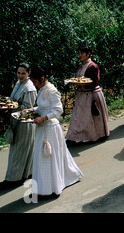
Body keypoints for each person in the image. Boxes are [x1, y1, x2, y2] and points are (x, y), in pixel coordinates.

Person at [27, 66, 83, 196]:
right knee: (41, 156)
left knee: (49, 156)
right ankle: (43, 187)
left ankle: (54, 186)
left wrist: (44, 118)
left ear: (41, 78)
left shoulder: (51, 90)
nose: (34, 84)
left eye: (35, 81)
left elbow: (58, 110)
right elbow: (42, 106)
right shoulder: (41, 90)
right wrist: (32, 110)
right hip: (42, 127)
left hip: (51, 128)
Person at [0, 62, 37, 189]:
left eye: (23, 73)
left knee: (19, 151)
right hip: (16, 119)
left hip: (25, 122)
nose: (20, 75)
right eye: (18, 73)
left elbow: (29, 108)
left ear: (29, 73)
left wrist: (13, 105)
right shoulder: (19, 83)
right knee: (20, 149)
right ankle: (25, 175)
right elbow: (13, 99)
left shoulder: (29, 87)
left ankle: (13, 179)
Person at [66, 46, 109, 144]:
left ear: (88, 54)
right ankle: (75, 137)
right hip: (81, 94)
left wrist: (83, 84)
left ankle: (98, 134)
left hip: (91, 94)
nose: (79, 55)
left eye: (82, 53)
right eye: (79, 53)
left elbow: (95, 82)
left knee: (91, 116)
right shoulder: (80, 65)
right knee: (78, 116)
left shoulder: (92, 66)